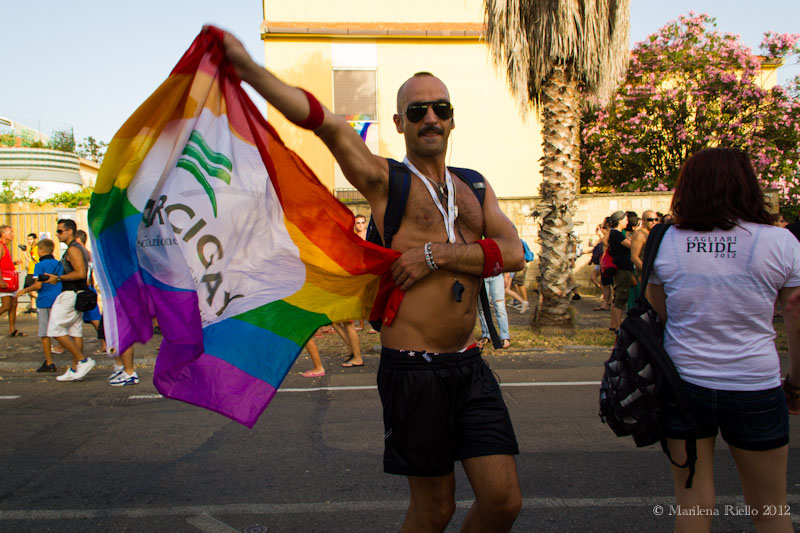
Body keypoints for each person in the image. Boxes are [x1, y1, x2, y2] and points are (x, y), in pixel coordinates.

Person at [221, 30, 523, 531]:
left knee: (503, 501)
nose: (431, 117)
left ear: (453, 119)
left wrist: (435, 254)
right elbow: (330, 126)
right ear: (400, 122)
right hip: (414, 370)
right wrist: (250, 70)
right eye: (419, 110)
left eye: (441, 109)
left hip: (469, 365)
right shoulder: (388, 181)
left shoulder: (473, 184)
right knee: (435, 508)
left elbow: (514, 252)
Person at [646, 148, 800, 532]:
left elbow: (658, 313)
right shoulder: (780, 242)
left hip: (683, 384)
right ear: (748, 185)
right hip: (755, 382)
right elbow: (796, 317)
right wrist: (795, 382)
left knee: (692, 506)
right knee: (770, 511)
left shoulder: (664, 241)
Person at [42, 219, 95, 382]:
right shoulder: (77, 248)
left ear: (70, 231)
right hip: (76, 293)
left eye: (60, 231)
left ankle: (82, 360)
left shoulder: (73, 249)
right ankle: (74, 368)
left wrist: (58, 278)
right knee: (74, 331)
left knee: (54, 329)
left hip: (71, 293)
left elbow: (80, 273)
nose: (57, 234)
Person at [16, 239, 62, 372]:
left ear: (41, 251)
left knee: (45, 332)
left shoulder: (39, 265)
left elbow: (38, 285)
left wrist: (23, 291)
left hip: (45, 300)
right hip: (58, 299)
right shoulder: (58, 264)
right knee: (61, 328)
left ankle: (49, 361)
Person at [605, 211, 633, 333]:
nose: (627, 222)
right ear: (620, 220)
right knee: (620, 298)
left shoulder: (615, 233)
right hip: (622, 268)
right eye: (625, 219)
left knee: (617, 297)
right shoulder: (617, 234)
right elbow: (630, 245)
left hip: (620, 267)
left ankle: (614, 324)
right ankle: (617, 325)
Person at [0, 224, 25, 337]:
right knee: (6, 305)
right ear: (3, 234)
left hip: (10, 280)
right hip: (5, 281)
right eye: (10, 232)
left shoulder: (5, 246)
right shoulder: (0, 246)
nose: (13, 234)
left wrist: (13, 263)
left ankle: (12, 329)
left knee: (14, 304)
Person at [477, 274, 511, 349]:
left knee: (500, 307)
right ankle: (486, 335)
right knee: (482, 308)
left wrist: (506, 276)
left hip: (497, 276)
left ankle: (504, 336)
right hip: (482, 278)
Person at [21, 232, 39, 313]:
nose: (29, 241)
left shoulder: (36, 249)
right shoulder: (32, 248)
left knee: (28, 289)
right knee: (31, 288)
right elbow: (30, 261)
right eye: (28, 239)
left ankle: (42, 299)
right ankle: (33, 306)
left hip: (33, 272)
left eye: (30, 239)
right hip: (31, 270)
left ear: (35, 240)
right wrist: (24, 252)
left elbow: (37, 261)